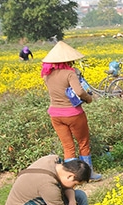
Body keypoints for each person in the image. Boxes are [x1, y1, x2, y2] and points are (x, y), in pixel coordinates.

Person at [41, 41, 102, 181]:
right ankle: (88, 174)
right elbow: (79, 91)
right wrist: (88, 99)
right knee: (83, 143)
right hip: (73, 114)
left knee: (68, 147)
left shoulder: (47, 75)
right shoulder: (70, 73)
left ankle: (69, 177)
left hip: (55, 115)